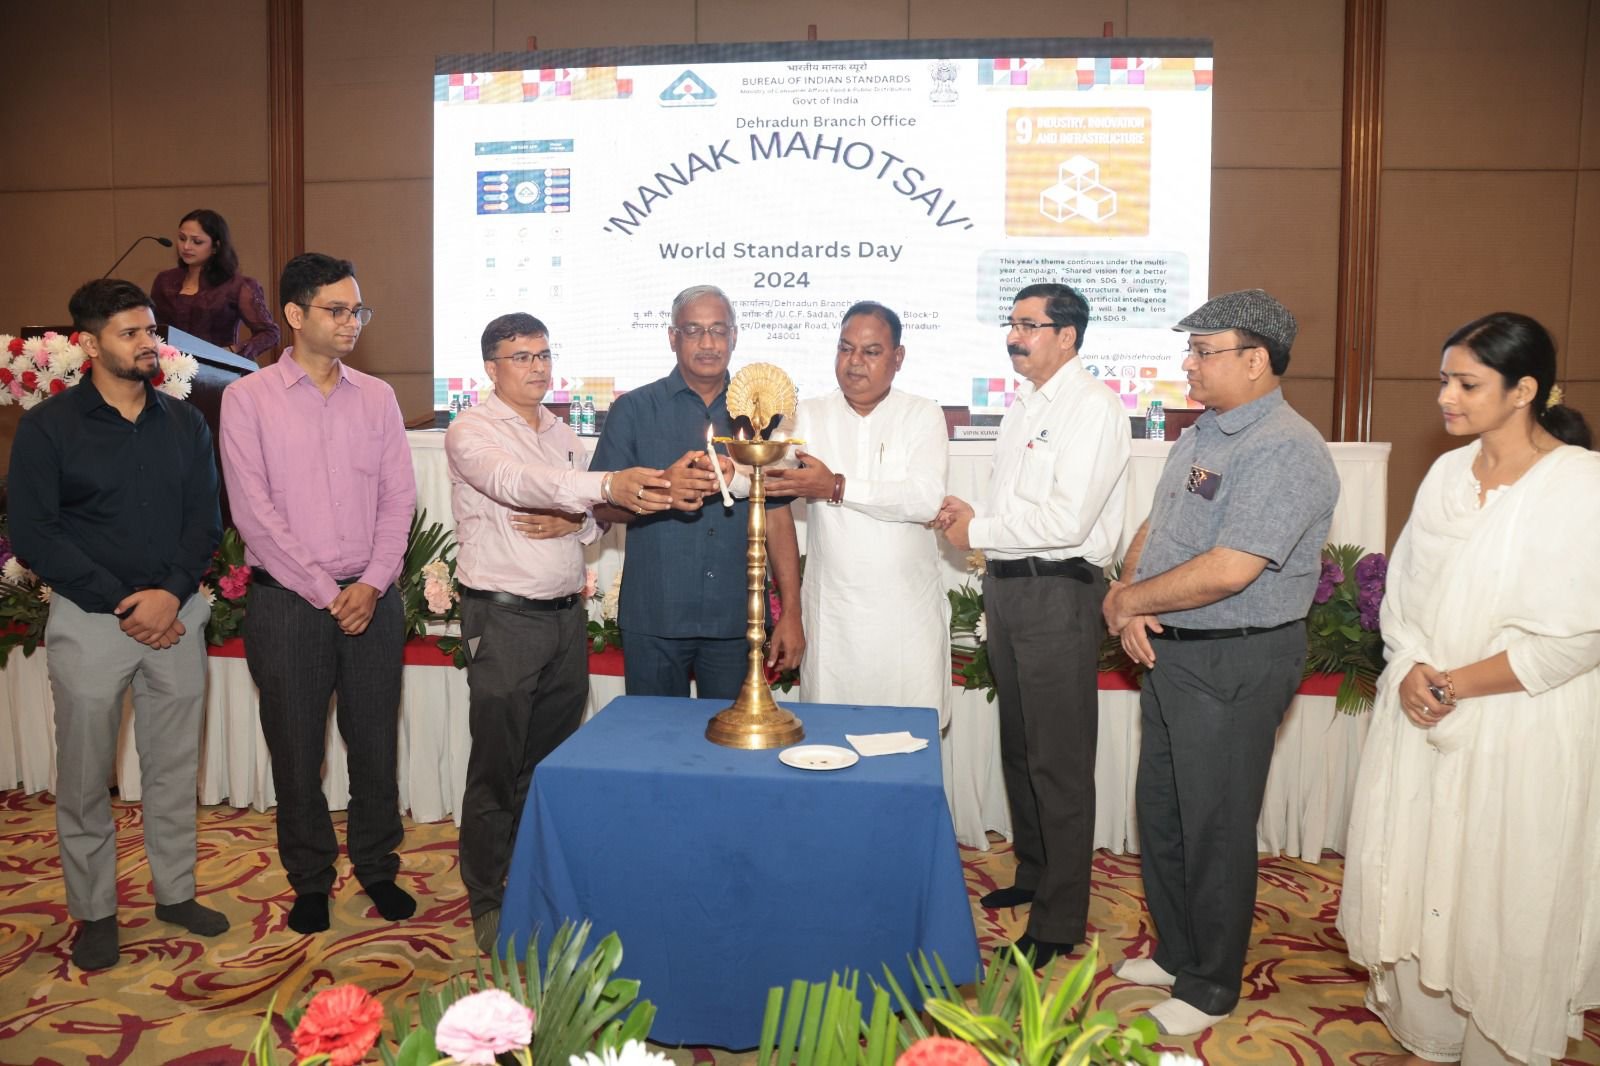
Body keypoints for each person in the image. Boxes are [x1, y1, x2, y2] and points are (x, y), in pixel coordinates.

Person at [1337, 313, 1600, 1066]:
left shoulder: (1581, 484)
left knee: (1504, 883)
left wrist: (1454, 682)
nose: (1446, 397)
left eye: (1467, 384)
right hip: (1424, 711)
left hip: (1524, 721)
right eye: (1444, 380)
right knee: (1426, 867)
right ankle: (1434, 1031)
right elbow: (1403, 599)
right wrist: (1413, 666)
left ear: (1525, 390)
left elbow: (1579, 636)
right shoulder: (1447, 474)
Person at [1101, 288, 1339, 1036]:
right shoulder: (1207, 431)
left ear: (1256, 360)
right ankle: (1178, 952)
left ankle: (1209, 986)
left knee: (1216, 824)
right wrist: (1131, 598)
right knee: (1166, 814)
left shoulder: (1285, 448)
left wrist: (1130, 601)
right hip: (1177, 653)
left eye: (1204, 352)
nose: (1190, 364)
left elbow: (1232, 569)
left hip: (1236, 658)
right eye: (1192, 351)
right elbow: (1160, 523)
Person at [6, 278, 227, 970]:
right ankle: (95, 911)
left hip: (176, 616)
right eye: (130, 333)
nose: (147, 343)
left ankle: (175, 893)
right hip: (90, 619)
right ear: (89, 343)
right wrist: (125, 602)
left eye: (150, 330)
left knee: (173, 767)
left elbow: (205, 522)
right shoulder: (48, 427)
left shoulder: (184, 422)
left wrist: (169, 595)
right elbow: (35, 533)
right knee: (83, 779)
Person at [446, 312, 671, 953]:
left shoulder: (564, 433)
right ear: (491, 367)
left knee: (546, 765)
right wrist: (600, 487)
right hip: (502, 617)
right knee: (497, 766)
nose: (538, 367)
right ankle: (487, 896)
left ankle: (531, 879)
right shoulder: (471, 430)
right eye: (521, 357)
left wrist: (578, 522)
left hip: (564, 619)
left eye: (544, 354)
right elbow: (515, 483)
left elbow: (593, 522)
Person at [219, 253, 417, 935]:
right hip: (288, 604)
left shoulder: (378, 397)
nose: (352, 322)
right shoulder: (248, 399)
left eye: (358, 310)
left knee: (374, 745)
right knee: (297, 749)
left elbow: (399, 500)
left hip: (373, 598)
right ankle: (309, 877)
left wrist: (372, 582)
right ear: (295, 315)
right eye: (337, 310)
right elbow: (254, 513)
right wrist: (326, 590)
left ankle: (377, 866)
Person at [933, 282, 1130, 967]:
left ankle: (1059, 919)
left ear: (1067, 336)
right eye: (1011, 324)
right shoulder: (1024, 405)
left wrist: (977, 529)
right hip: (1011, 589)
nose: (1014, 337)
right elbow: (1017, 508)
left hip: (1058, 593)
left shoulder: (1093, 408)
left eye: (1029, 325)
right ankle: (1036, 874)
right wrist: (975, 519)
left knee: (1059, 762)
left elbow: (1067, 522)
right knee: (1021, 748)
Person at [589, 284, 804, 699]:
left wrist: (791, 612)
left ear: (734, 336)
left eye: (719, 330)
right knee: (654, 735)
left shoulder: (763, 417)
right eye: (693, 330)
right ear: (673, 337)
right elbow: (601, 504)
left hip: (737, 618)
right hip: (655, 614)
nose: (708, 343)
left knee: (732, 738)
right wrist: (662, 492)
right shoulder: (634, 409)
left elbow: (778, 515)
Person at [766, 301, 949, 718]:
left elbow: (923, 500)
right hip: (834, 618)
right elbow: (766, 474)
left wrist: (835, 487)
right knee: (830, 738)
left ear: (898, 358)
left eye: (871, 351)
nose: (854, 362)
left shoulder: (922, 414)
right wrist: (731, 471)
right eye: (845, 348)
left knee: (908, 739)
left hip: (906, 620)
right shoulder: (807, 415)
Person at [150, 209, 280, 362]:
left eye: (197, 242)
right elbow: (152, 327)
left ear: (215, 246)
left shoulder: (238, 285)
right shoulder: (165, 281)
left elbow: (270, 333)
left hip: (220, 369)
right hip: (171, 368)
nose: (186, 246)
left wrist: (233, 350)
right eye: (182, 238)